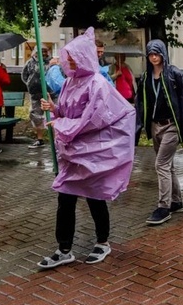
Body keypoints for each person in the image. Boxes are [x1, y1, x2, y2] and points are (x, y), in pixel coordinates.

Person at [36, 27, 136, 269]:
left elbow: (93, 119)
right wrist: (55, 109)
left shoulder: (98, 83)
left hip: (92, 154)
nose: (67, 61)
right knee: (66, 197)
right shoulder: (71, 82)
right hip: (73, 154)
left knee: (95, 198)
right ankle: (64, 249)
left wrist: (61, 123)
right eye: (66, 57)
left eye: (71, 57)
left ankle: (102, 242)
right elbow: (70, 112)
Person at [135, 39, 183, 226]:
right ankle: (176, 201)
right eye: (150, 54)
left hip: (171, 126)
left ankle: (163, 207)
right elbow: (140, 103)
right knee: (168, 166)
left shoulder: (174, 74)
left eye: (157, 54)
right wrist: (140, 127)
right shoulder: (145, 77)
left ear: (163, 54)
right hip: (155, 126)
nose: (154, 57)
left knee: (160, 164)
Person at [21, 45, 51, 148]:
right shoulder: (30, 62)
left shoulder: (51, 63)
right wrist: (31, 84)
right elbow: (24, 75)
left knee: (53, 115)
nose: (43, 54)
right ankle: (40, 139)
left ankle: (56, 138)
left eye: (45, 51)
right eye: (41, 52)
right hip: (35, 93)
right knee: (35, 115)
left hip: (49, 93)